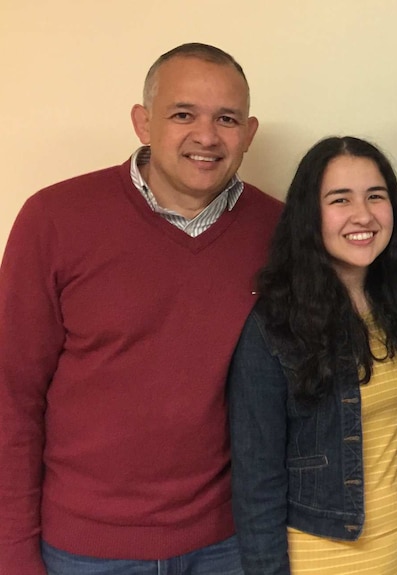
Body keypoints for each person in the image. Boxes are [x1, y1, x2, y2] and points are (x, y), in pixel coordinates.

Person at [0, 43, 282, 574]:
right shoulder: (53, 219)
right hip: (83, 550)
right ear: (143, 123)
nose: (206, 136)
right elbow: (11, 397)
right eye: (183, 114)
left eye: (226, 118)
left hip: (228, 543)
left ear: (248, 133)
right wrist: (13, 552)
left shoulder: (279, 232)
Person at [228, 136, 397, 574]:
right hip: (322, 559)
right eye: (340, 199)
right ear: (310, 216)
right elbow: (256, 483)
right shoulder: (275, 326)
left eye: (375, 196)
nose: (363, 215)